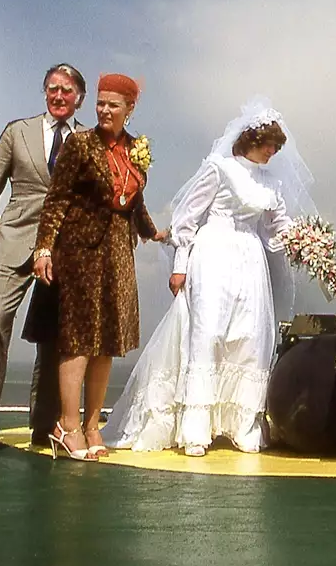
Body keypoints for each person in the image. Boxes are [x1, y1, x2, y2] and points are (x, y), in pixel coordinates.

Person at [103, 98, 312, 456]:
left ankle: (241, 424)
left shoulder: (271, 182)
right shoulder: (219, 168)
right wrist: (180, 263)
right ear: (252, 139)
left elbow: (277, 227)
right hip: (214, 253)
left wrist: (304, 242)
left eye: (277, 147)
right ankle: (195, 427)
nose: (273, 152)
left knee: (249, 336)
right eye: (269, 145)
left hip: (250, 259)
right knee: (208, 332)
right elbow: (187, 218)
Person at [31, 73, 164, 460]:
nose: (105, 110)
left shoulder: (138, 148)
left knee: (107, 340)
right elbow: (56, 199)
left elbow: (134, 200)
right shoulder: (79, 143)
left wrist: (153, 232)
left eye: (113, 105)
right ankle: (67, 425)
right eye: (101, 103)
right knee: (78, 339)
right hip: (80, 252)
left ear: (130, 109)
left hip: (118, 254)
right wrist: (43, 249)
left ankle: (92, 426)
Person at [0, 64, 88, 449]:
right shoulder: (16, 133)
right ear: (44, 92)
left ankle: (46, 422)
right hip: (15, 240)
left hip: (66, 250)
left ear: (79, 97)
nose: (58, 96)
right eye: (52, 88)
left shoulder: (89, 140)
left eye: (67, 90)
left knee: (54, 337)